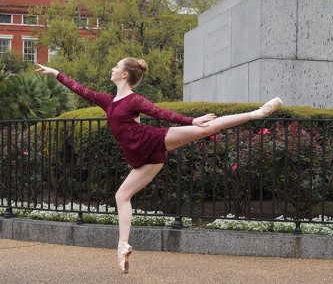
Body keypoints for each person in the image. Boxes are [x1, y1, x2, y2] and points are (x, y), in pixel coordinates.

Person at [36, 58, 282, 274]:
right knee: (121, 195)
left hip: (152, 141)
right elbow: (80, 89)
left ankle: (257, 114)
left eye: (116, 66)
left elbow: (159, 113)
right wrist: (55, 72)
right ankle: (123, 247)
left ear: (124, 74)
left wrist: (191, 120)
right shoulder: (108, 101)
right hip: (145, 160)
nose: (112, 69)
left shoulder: (134, 100)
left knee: (204, 128)